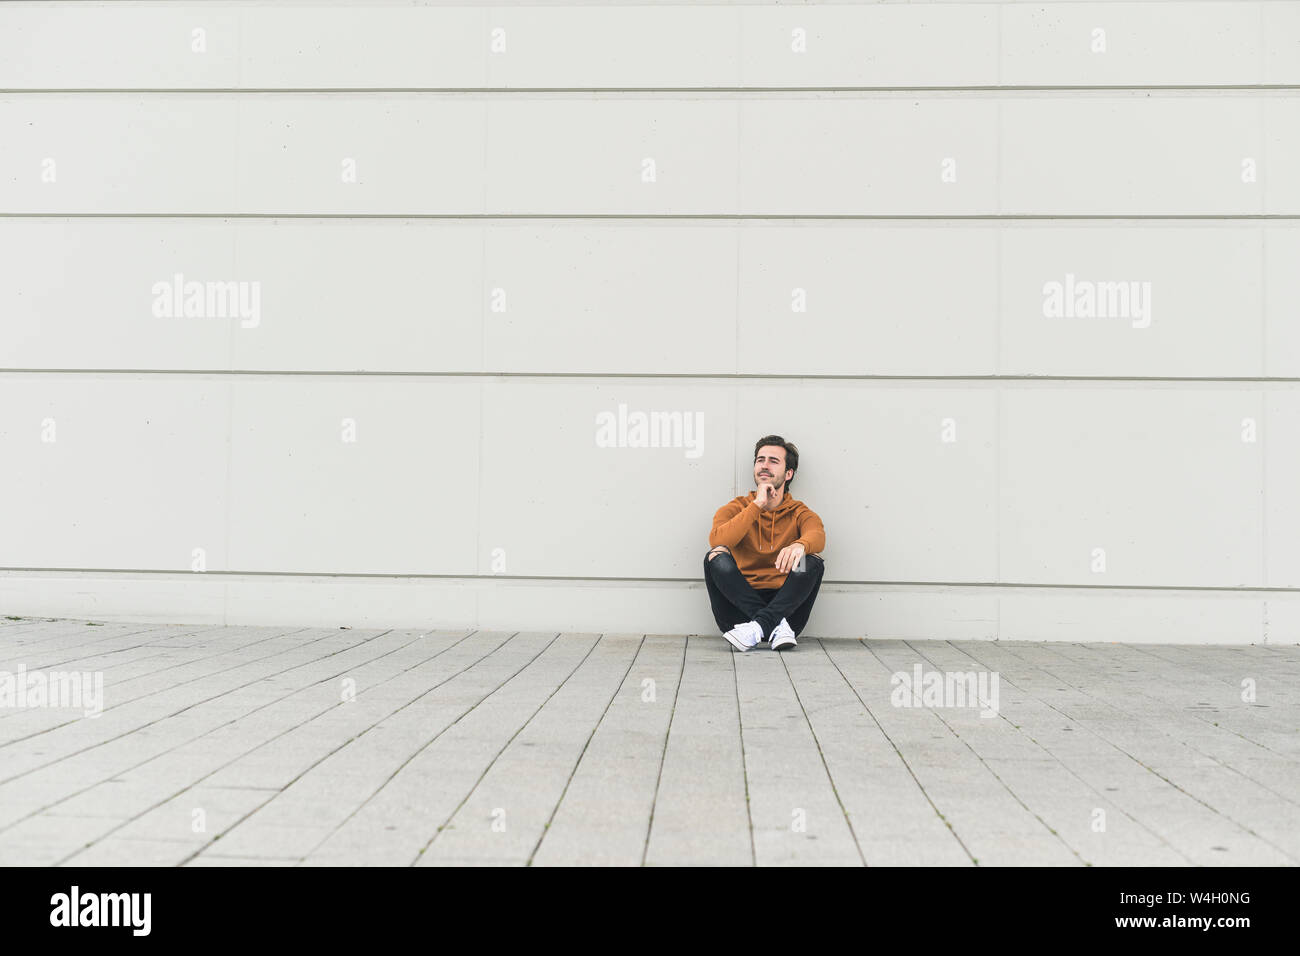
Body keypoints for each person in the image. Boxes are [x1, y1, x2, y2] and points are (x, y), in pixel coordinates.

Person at [703, 435, 826, 652]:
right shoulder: (737, 507)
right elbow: (718, 539)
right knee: (715, 556)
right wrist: (757, 504)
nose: (764, 465)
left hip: (787, 608)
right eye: (760, 460)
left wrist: (800, 545)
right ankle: (773, 626)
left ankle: (760, 626)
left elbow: (817, 535)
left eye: (773, 461)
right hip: (737, 613)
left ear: (788, 474)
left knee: (812, 560)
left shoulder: (799, 512)